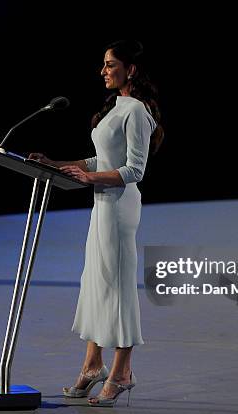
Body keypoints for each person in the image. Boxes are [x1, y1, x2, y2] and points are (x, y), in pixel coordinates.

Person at [28, 39, 164, 407]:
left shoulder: (135, 110)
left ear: (130, 70)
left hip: (120, 208)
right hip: (103, 205)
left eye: (110, 64)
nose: (102, 71)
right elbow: (101, 158)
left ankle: (122, 372)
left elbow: (135, 169)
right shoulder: (117, 107)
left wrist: (89, 178)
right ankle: (93, 365)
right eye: (104, 65)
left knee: (117, 288)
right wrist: (56, 164)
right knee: (97, 283)